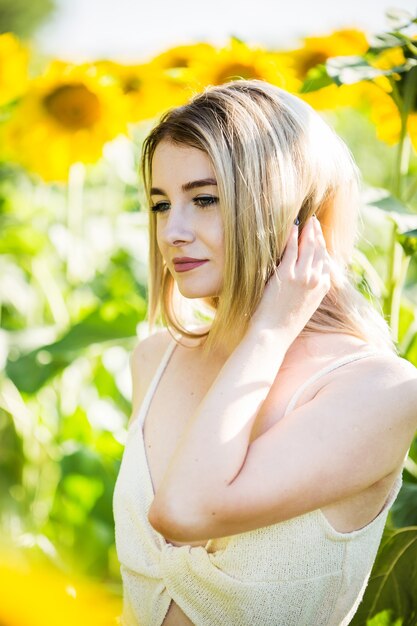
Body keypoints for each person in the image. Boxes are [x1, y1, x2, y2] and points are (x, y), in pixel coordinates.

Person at [112, 79, 417, 626]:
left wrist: (271, 330)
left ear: (288, 209)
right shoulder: (154, 359)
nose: (172, 232)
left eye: (204, 199)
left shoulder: (379, 390)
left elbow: (183, 511)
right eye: (161, 204)